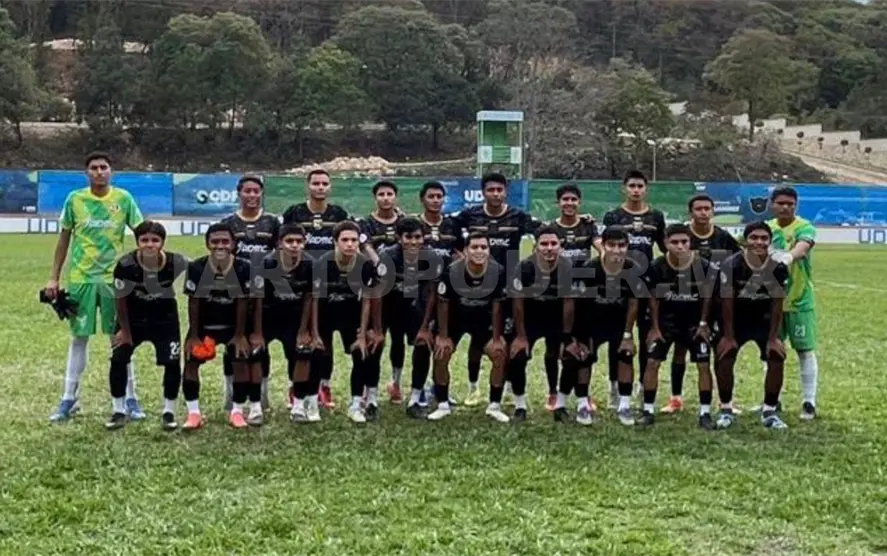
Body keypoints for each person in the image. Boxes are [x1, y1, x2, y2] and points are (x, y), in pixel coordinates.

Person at [46, 151, 146, 422]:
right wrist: (54, 277)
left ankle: (130, 398)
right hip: (82, 279)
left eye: (103, 167)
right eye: (94, 168)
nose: (99, 172)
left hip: (115, 280)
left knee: (120, 338)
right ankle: (69, 399)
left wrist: (143, 271)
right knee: (79, 338)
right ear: (86, 172)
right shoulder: (75, 199)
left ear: (111, 171)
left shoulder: (123, 199)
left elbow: (143, 233)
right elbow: (64, 239)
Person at [451, 173, 540, 406]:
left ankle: (508, 386)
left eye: (499, 190)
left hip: (506, 287)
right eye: (491, 190)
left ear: (506, 192)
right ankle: (473, 388)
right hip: (476, 286)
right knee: (476, 338)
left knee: (506, 339)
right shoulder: (470, 215)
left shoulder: (518, 216)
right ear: (483, 192)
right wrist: (461, 257)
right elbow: (448, 231)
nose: (495, 194)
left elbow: (543, 232)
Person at [663, 194, 741, 415]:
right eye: (699, 209)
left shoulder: (723, 237)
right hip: (685, 302)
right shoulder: (683, 235)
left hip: (715, 303)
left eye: (707, 208)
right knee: (680, 349)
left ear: (713, 211)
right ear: (691, 212)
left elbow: (738, 261)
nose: (703, 212)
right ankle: (675, 398)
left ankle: (725, 400)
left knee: (719, 351)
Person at [106, 221, 187, 431]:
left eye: (155, 240)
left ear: (163, 243)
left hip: (164, 319)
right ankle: (118, 410)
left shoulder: (176, 262)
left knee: (172, 362)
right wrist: (124, 331)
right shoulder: (125, 265)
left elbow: (199, 269)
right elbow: (120, 299)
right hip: (132, 319)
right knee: (118, 359)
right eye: (144, 240)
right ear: (137, 242)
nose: (149, 244)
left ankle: (169, 411)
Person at [281, 169, 351, 409]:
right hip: (301, 284)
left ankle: (324, 386)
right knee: (299, 341)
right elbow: (283, 243)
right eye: (316, 183)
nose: (320, 187)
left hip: (330, 285)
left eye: (324, 183)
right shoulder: (294, 212)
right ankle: (295, 387)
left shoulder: (338, 214)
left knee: (325, 341)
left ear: (330, 187)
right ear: (307, 186)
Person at [181, 223, 260, 430]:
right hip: (206, 325)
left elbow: (243, 302)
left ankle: (237, 411)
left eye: (225, 241)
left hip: (234, 326)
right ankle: (194, 413)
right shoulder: (197, 267)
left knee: (240, 360)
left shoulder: (244, 267)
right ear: (207, 244)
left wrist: (240, 335)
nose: (220, 246)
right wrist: (194, 335)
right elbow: (194, 302)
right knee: (190, 362)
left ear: (233, 244)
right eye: (215, 241)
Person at [641, 224, 717, 429]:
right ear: (665, 243)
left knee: (703, 364)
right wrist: (654, 327)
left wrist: (704, 323)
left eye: (684, 242)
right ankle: (648, 410)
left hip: (693, 324)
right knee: (652, 362)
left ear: (690, 243)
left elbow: (708, 297)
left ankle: (705, 413)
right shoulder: (656, 266)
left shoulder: (703, 266)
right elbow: (653, 299)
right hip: (666, 323)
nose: (680, 246)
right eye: (675, 242)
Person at [716, 222, 789, 430]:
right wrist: (728, 336)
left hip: (763, 320)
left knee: (776, 356)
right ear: (745, 241)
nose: (759, 242)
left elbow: (777, 302)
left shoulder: (777, 267)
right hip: (736, 320)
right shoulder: (732, 265)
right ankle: (726, 409)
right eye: (754, 237)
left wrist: (774, 337)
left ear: (770, 241)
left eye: (764, 238)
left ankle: (769, 411)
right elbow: (727, 301)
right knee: (725, 355)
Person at [602, 170, 666, 406]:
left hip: (647, 283)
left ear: (646, 189)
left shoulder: (656, 216)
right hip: (620, 284)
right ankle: (614, 386)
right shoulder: (613, 216)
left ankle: (642, 386)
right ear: (624, 188)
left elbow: (664, 247)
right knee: (618, 336)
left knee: (647, 335)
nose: (636, 190)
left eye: (640, 186)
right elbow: (606, 247)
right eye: (632, 186)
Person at [568, 227, 642, 426]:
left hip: (618, 322)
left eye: (622, 245)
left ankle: (624, 405)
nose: (617, 250)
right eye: (612, 245)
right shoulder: (589, 268)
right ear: (603, 245)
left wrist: (628, 334)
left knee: (626, 356)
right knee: (584, 359)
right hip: (591, 322)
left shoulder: (633, 269)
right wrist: (577, 336)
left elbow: (634, 302)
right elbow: (578, 304)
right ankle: (582, 404)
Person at [431, 233, 508, 422]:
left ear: (489, 251)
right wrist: (443, 336)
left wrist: (497, 338)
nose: (479, 251)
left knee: (499, 353)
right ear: (465, 250)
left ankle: (494, 406)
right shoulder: (452, 271)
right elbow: (443, 303)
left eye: (484, 247)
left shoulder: (498, 271)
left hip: (483, 320)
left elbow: (498, 307)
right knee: (441, 352)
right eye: (474, 247)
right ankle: (442, 404)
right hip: (456, 320)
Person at [219, 176, 280, 410]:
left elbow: (279, 255)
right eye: (247, 191)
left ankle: (262, 393)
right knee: (233, 342)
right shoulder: (228, 223)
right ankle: (230, 391)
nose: (252, 195)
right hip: (235, 292)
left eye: (256, 191)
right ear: (239, 193)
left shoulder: (272, 222)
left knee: (261, 342)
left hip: (266, 294)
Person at [313, 221, 382, 424]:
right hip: (325, 315)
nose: (350, 244)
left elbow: (367, 300)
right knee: (318, 353)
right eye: (345, 240)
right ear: (335, 242)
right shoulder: (323, 263)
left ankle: (356, 405)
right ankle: (313, 399)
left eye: (354, 240)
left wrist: (363, 334)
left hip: (351, 316)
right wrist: (314, 332)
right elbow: (314, 299)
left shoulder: (365, 265)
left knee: (361, 353)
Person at [376, 218, 442, 419]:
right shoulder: (388, 256)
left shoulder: (431, 257)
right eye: (408, 237)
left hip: (416, 306)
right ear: (399, 238)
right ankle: (372, 395)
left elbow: (432, 293)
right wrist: (377, 328)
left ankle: (415, 398)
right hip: (389, 305)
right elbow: (378, 293)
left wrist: (425, 326)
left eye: (418, 237)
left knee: (422, 345)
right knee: (381, 344)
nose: (413, 242)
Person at [544, 184, 601, 410]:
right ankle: (552, 392)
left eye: (573, 199)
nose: (569, 203)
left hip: (582, 295)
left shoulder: (588, 226)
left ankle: (583, 393)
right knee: (553, 347)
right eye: (565, 199)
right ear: (558, 203)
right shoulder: (550, 228)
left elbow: (600, 246)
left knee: (584, 346)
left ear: (579, 202)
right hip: (555, 294)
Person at [507, 226, 570, 422]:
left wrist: (568, 337)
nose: (549, 248)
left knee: (563, 355)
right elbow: (517, 303)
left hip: (556, 319)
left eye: (553, 244)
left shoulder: (567, 267)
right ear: (535, 247)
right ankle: (520, 405)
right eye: (544, 244)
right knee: (518, 355)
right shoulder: (525, 267)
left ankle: (558, 402)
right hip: (530, 320)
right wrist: (520, 336)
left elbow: (569, 304)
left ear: (561, 246)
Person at [767, 186, 819, 420]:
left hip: (799, 299)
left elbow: (803, 247)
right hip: (772, 300)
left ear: (796, 206)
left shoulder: (804, 226)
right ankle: (772, 400)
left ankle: (809, 401)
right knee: (772, 349)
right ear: (772, 204)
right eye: (781, 203)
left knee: (804, 350)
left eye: (790, 204)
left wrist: (787, 256)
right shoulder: (767, 228)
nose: (785, 207)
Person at [255, 224, 316, 422]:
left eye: (299, 241)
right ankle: (257, 403)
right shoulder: (266, 263)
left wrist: (304, 330)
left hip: (293, 319)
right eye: (289, 241)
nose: (294, 245)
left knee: (301, 354)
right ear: (279, 243)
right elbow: (257, 299)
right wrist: (256, 331)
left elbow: (309, 298)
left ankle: (298, 405)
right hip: (267, 317)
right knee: (256, 355)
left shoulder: (310, 264)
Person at [358, 181, 404, 402]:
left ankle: (396, 383)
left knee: (398, 339)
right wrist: (381, 265)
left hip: (400, 290)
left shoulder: (403, 221)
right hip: (376, 288)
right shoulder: (366, 223)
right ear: (375, 198)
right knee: (375, 337)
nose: (386, 198)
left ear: (396, 197)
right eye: (381, 194)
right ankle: (369, 387)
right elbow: (365, 246)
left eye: (390, 194)